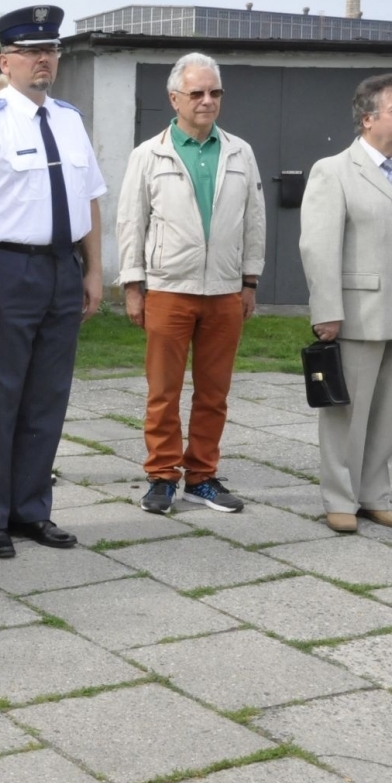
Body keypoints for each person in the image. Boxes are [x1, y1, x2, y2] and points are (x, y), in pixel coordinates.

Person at [0, 6, 107, 559]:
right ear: (5, 60)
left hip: (63, 269)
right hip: (7, 269)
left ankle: (32, 510)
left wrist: (93, 271)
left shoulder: (68, 119)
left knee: (48, 399)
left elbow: (89, 198)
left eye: (52, 50)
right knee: (1, 397)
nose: (44, 60)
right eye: (33, 51)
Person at [116, 52, 266, 516]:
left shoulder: (240, 152)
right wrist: (133, 285)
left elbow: (254, 221)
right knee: (163, 391)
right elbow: (130, 221)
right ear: (174, 97)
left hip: (224, 291)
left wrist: (250, 280)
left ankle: (202, 476)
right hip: (168, 288)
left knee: (214, 391)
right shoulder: (149, 154)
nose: (207, 101)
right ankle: (161, 476)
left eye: (215, 92)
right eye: (197, 93)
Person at [299, 73, 392, 533]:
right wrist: (326, 311)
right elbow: (319, 248)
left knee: (389, 411)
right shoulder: (334, 171)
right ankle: (339, 498)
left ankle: (374, 494)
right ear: (367, 118)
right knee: (346, 413)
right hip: (357, 312)